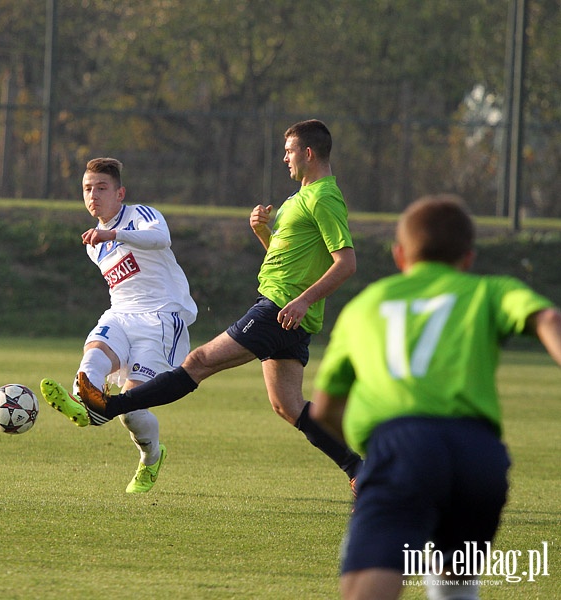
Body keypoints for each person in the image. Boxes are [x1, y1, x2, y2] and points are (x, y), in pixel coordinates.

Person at [49, 120, 363, 492]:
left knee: (197, 363)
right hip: (289, 314)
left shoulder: (323, 196)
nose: (285, 159)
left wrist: (303, 300)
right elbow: (293, 259)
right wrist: (265, 234)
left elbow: (346, 262)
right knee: (287, 406)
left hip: (280, 310)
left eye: (290, 151)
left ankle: (107, 407)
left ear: (308, 153)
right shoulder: (299, 197)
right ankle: (361, 471)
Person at [310, 196, 561, 600]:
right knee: (454, 584)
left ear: (400, 255)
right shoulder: (489, 289)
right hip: (480, 456)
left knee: (365, 586)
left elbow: (323, 408)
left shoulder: (366, 305)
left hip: (403, 446)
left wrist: (378, 450)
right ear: (467, 257)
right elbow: (548, 318)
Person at [40, 157, 197, 493]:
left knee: (132, 410)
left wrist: (113, 233)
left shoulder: (141, 215)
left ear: (120, 193)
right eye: (87, 189)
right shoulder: (94, 244)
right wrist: (105, 236)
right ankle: (83, 406)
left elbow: (161, 239)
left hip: (162, 318)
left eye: (101, 188)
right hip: (121, 314)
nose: (93, 195)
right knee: (93, 357)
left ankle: (152, 456)